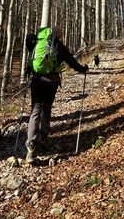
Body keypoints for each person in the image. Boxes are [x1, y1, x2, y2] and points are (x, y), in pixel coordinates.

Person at [25, 25, 88, 164]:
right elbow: (73, 63)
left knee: (35, 111)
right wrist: (84, 69)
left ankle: (31, 147)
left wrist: (29, 70)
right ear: (58, 35)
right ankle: (43, 137)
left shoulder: (37, 44)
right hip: (52, 82)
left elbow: (30, 55)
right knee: (46, 109)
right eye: (61, 34)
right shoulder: (60, 47)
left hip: (36, 80)